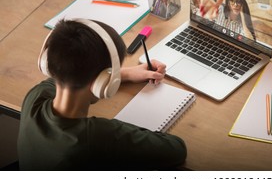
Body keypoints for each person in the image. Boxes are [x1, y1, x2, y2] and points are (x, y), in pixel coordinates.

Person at [17, 19, 187, 170]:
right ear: (104, 83)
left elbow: (71, 70)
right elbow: (177, 150)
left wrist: (125, 74)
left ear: (47, 63)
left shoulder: (35, 98)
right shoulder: (98, 138)